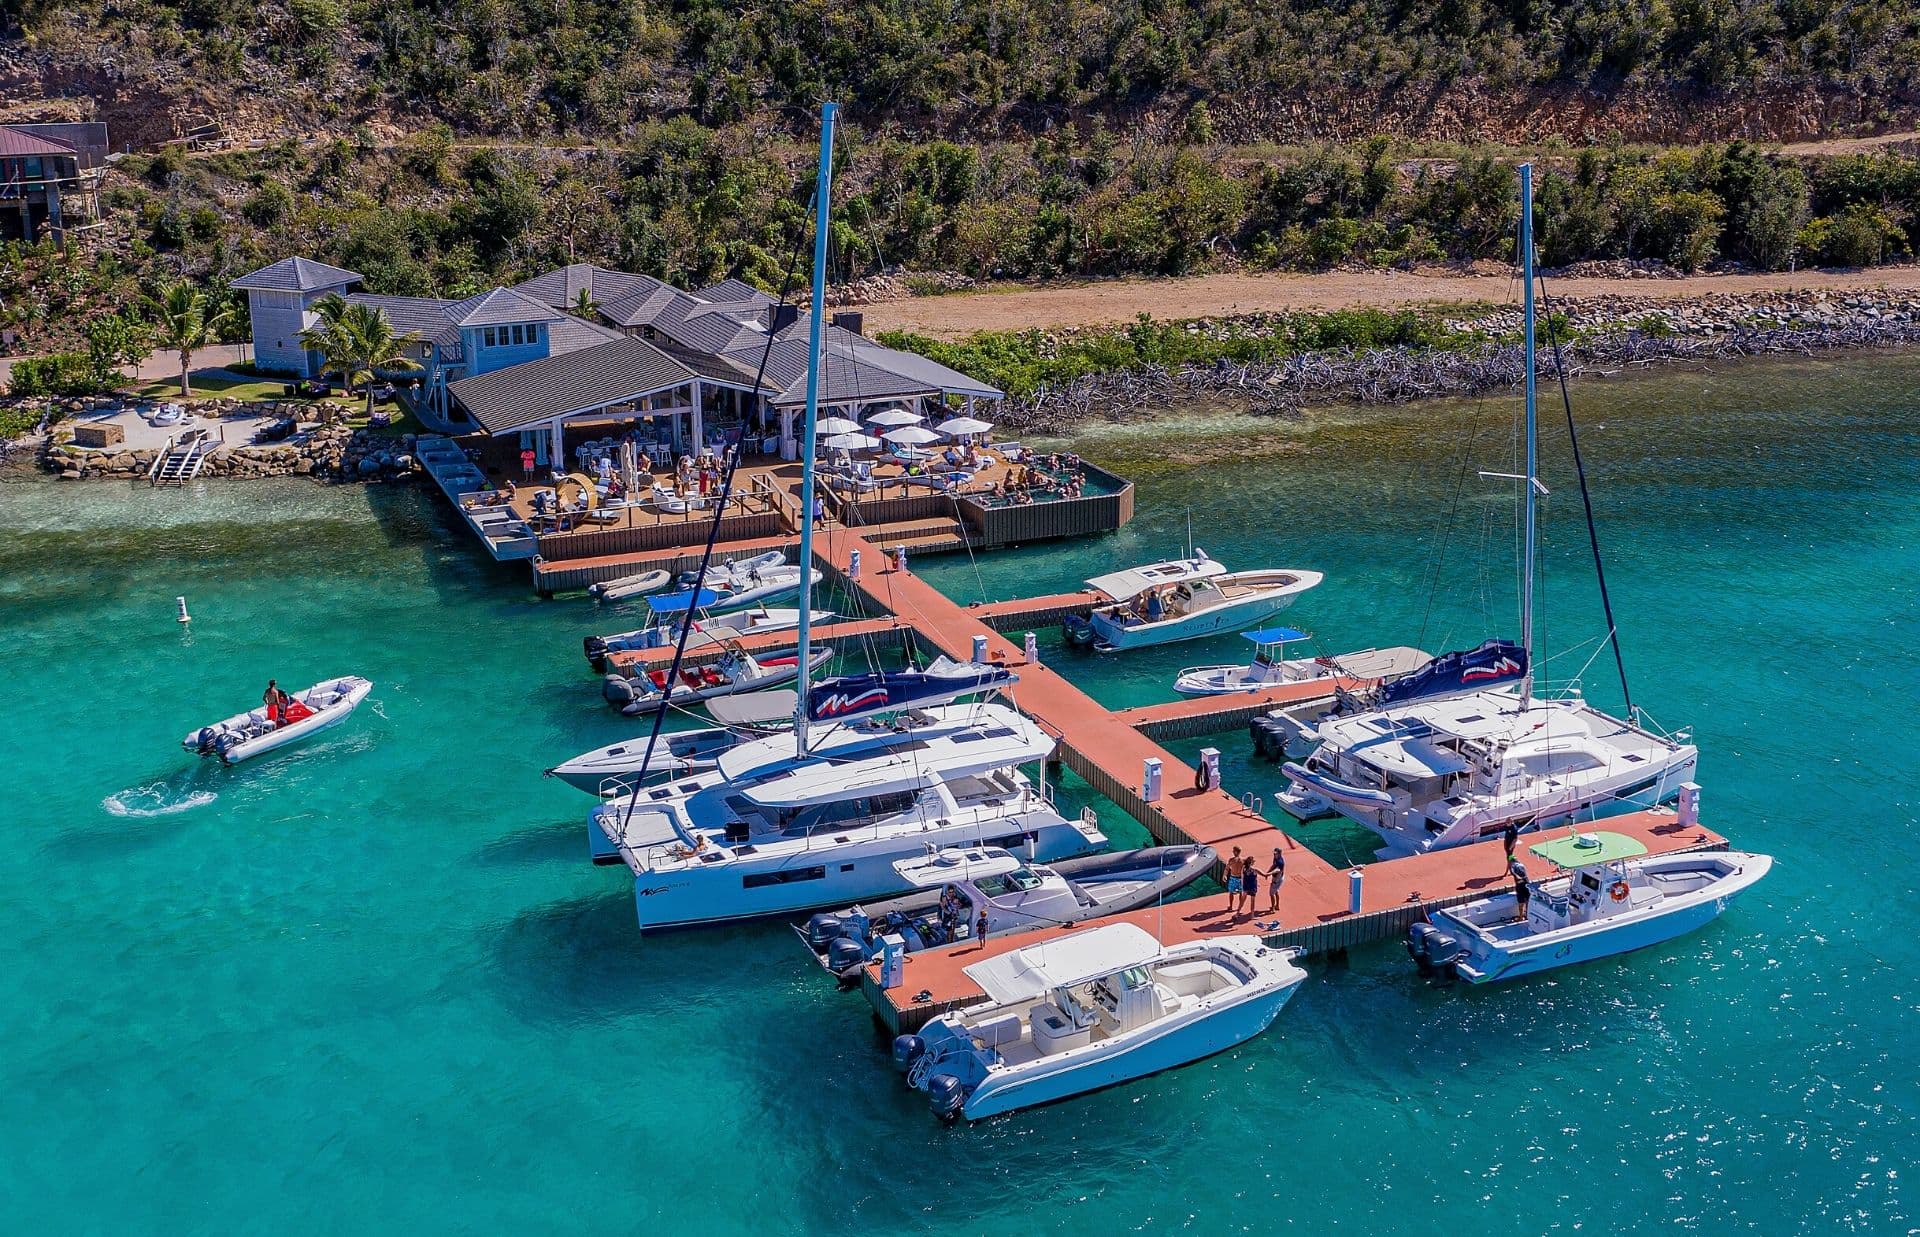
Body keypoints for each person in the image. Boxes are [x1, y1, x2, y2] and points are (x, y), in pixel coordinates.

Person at [1509, 855, 1531, 921]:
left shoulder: (1513, 866)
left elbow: (1515, 874)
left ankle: (1521, 917)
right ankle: (1527, 915)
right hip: (1527, 882)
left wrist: (1518, 878)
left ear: (1511, 861)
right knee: (1528, 900)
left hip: (1520, 884)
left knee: (1521, 902)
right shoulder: (1521, 865)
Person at [1225, 846, 1246, 914]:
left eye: (1233, 851)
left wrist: (1224, 875)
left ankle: (1231, 906)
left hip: (1233, 877)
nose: (1232, 852)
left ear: (1236, 852)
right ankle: (1239, 907)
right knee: (1240, 893)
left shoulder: (1231, 860)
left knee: (1231, 892)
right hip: (1240, 878)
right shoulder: (1243, 860)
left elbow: (1227, 868)